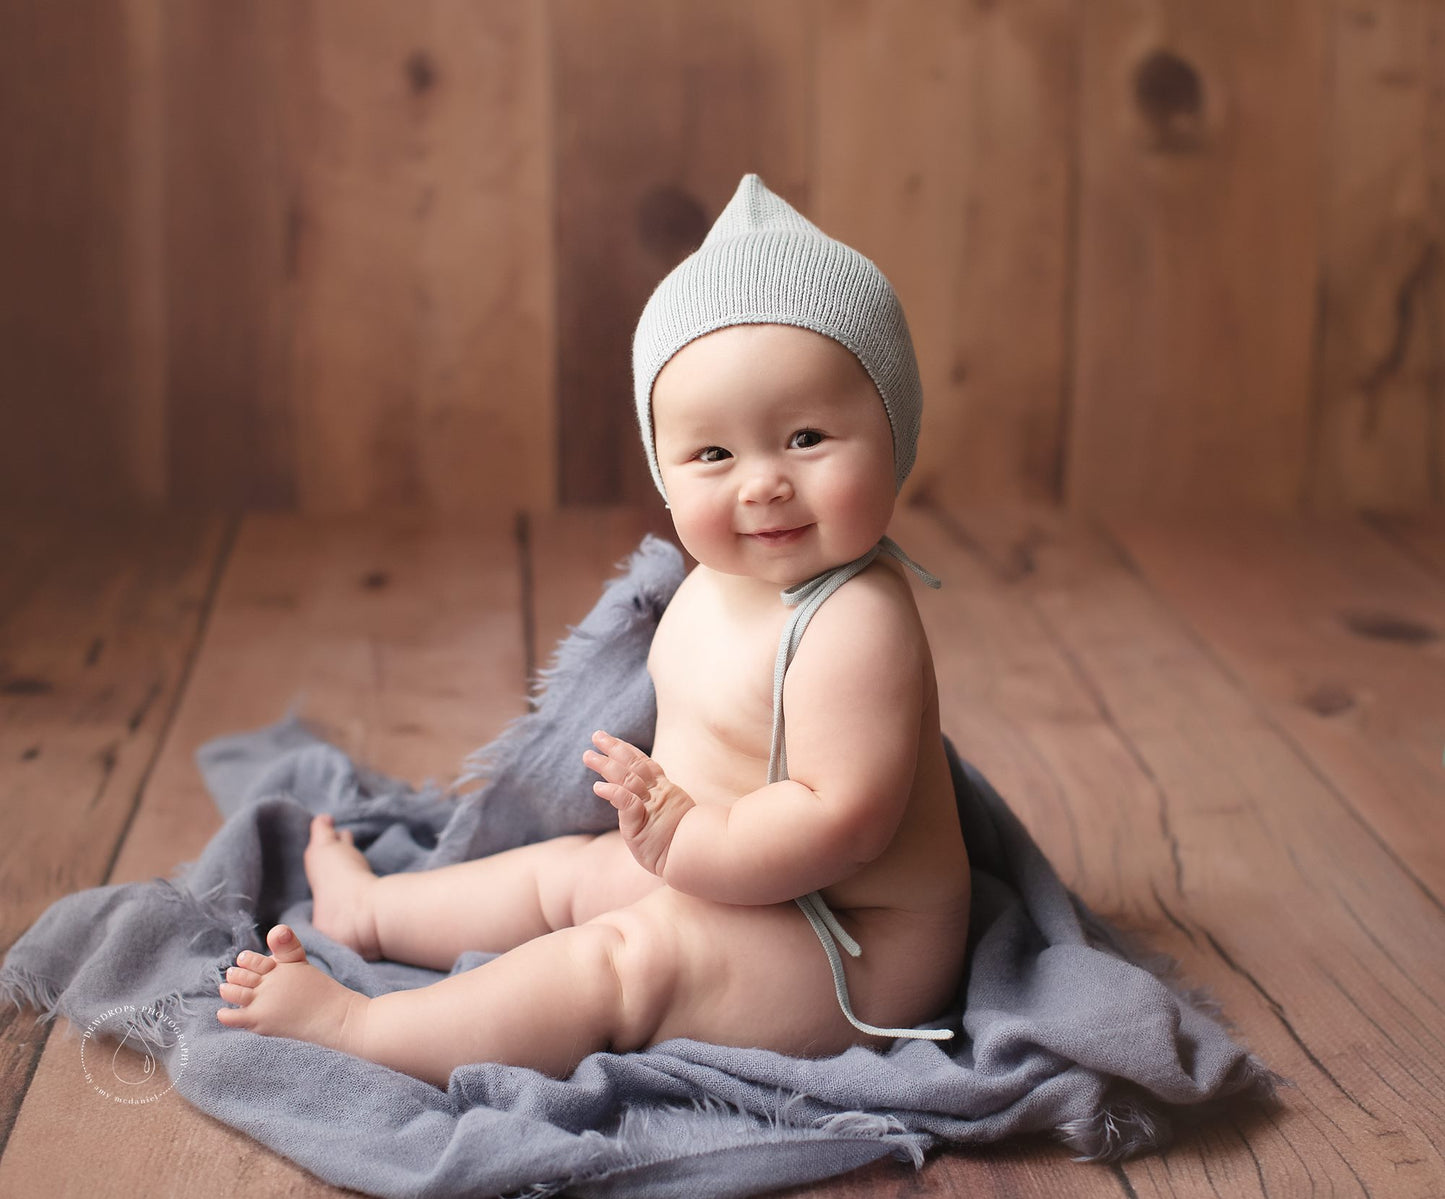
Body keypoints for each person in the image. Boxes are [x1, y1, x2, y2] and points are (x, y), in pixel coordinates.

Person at [216, 174, 972, 1088]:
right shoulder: (720, 580)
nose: (762, 482)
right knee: (567, 876)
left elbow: (840, 820)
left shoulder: (856, 621)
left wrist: (684, 843)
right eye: (714, 454)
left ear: (895, 433)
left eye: (806, 437)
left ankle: (364, 1028)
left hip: (851, 947)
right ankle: (372, 912)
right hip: (725, 867)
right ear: (665, 468)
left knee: (618, 955)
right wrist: (676, 841)